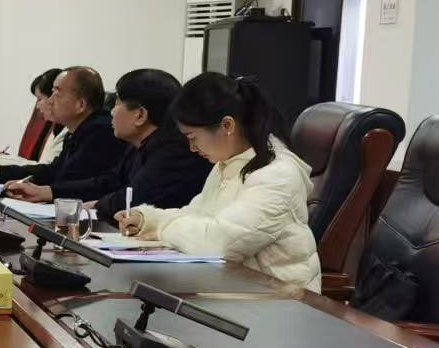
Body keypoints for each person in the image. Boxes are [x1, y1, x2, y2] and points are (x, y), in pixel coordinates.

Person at [118, 72, 321, 290]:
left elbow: (217, 245)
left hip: (278, 298)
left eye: (193, 138)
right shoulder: (227, 164)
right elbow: (195, 214)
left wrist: (161, 228)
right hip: (236, 289)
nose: (192, 148)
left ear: (227, 125)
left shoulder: (277, 175)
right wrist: (148, 219)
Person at [51, 69, 209, 222]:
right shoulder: (139, 144)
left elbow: (135, 198)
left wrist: (99, 205)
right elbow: (111, 182)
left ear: (140, 115)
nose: (112, 112)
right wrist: (52, 191)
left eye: (117, 103)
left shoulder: (175, 150)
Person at [1, 66, 126, 200]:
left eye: (57, 94)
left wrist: (46, 191)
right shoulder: (78, 130)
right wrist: (2, 173)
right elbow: (54, 170)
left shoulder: (101, 132)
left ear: (81, 105)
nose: (49, 101)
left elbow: (71, 179)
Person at [0, 68, 65, 174]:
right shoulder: (55, 128)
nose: (37, 106)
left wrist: (2, 163)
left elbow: (47, 170)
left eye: (40, 99)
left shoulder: (68, 133)